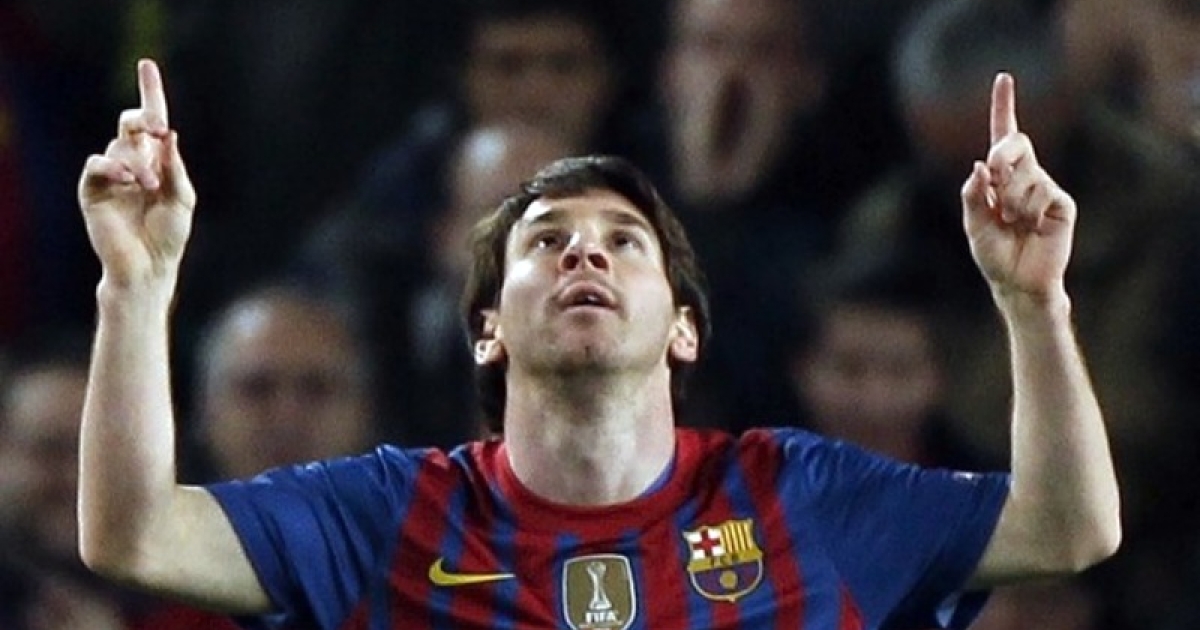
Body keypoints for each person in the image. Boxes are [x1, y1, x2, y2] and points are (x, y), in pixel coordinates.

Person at [76, 59, 1119, 629]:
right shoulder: (386, 517)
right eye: (546, 241)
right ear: (487, 328)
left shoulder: (802, 498)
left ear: (684, 328)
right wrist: (135, 285)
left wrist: (1035, 304)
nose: (586, 253)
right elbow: (134, 538)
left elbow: (1069, 527)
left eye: (626, 241)